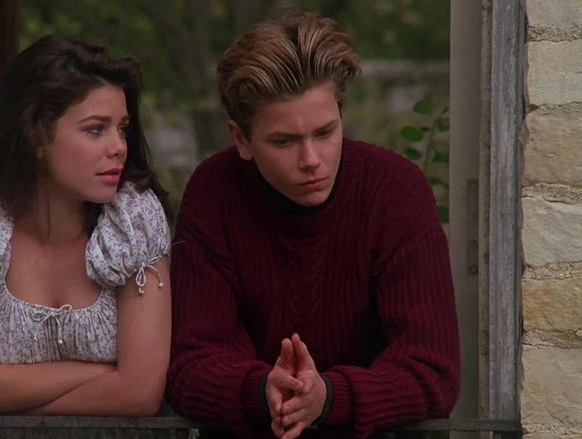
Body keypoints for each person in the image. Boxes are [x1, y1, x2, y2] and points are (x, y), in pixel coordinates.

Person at [166, 10, 461, 439]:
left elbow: (433, 371)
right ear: (241, 139)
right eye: (284, 141)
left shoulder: (396, 192)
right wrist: (262, 390)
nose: (311, 160)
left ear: (341, 115)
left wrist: (328, 397)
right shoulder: (215, 193)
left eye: (325, 133)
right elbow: (191, 365)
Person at [0, 35, 173, 438]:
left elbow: (141, 394)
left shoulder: (132, 221)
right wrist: (105, 374)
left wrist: (5, 400)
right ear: (37, 136)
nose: (118, 147)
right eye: (96, 129)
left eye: (122, 129)